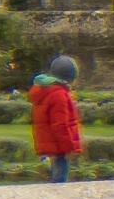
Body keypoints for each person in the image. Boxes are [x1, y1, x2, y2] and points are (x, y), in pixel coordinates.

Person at [28, 54, 85, 183]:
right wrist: (69, 148)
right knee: (60, 183)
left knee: (56, 178)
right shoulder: (59, 95)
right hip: (60, 148)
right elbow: (60, 125)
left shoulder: (48, 91)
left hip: (53, 146)